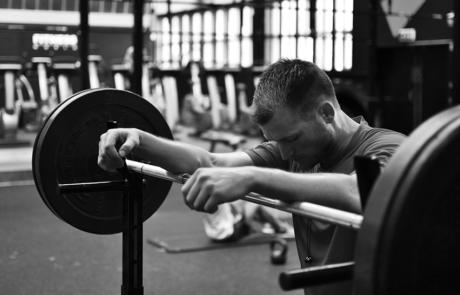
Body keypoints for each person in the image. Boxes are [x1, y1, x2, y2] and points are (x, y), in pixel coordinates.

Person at [98, 59, 406, 295]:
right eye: (278, 142)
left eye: (292, 139)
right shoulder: (298, 150)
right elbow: (212, 162)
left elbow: (360, 190)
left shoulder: (388, 147)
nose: (284, 154)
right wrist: (140, 140)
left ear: (326, 113)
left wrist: (255, 178)